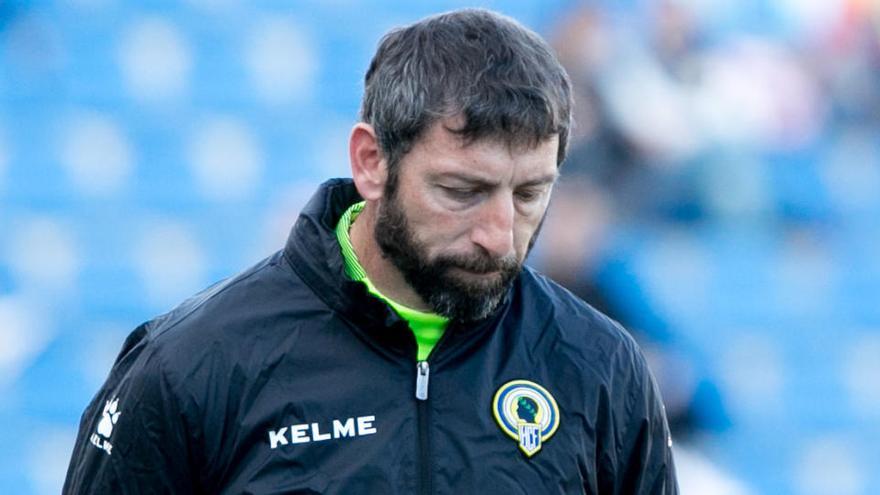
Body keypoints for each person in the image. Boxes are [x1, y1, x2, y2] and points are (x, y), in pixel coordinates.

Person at [64, 8, 677, 494]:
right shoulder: (192, 366)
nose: (499, 234)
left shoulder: (600, 367)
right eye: (462, 191)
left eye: (530, 194)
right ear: (371, 161)